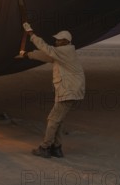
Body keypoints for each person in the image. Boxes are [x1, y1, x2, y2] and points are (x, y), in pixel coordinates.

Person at [17, 22, 85, 158]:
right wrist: (26, 55)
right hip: (69, 91)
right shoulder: (62, 53)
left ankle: (45, 147)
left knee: (53, 119)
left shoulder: (65, 51)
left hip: (68, 91)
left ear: (66, 42)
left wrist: (31, 33)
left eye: (58, 40)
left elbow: (45, 48)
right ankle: (57, 148)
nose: (56, 41)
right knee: (58, 120)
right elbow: (47, 56)